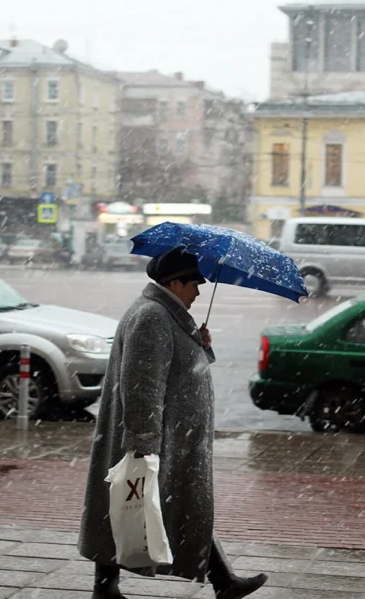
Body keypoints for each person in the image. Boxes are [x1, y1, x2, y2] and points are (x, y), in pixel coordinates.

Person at [79, 248, 267, 599]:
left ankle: (220, 581)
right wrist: (144, 442)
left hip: (171, 437)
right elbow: (142, 384)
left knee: (150, 507)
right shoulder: (153, 316)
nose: (198, 291)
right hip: (160, 438)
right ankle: (221, 582)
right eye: (194, 283)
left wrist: (201, 346)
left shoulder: (164, 313)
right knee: (151, 506)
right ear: (175, 282)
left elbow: (177, 367)